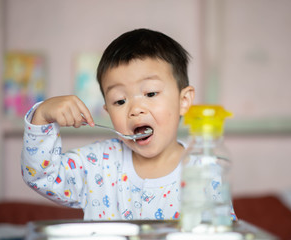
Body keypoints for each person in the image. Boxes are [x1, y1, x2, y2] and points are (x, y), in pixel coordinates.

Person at [21, 28, 195, 220]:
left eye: (151, 93)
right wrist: (42, 116)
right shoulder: (96, 164)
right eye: (120, 101)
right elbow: (41, 177)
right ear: (108, 111)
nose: (135, 109)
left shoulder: (203, 170)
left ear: (183, 101)